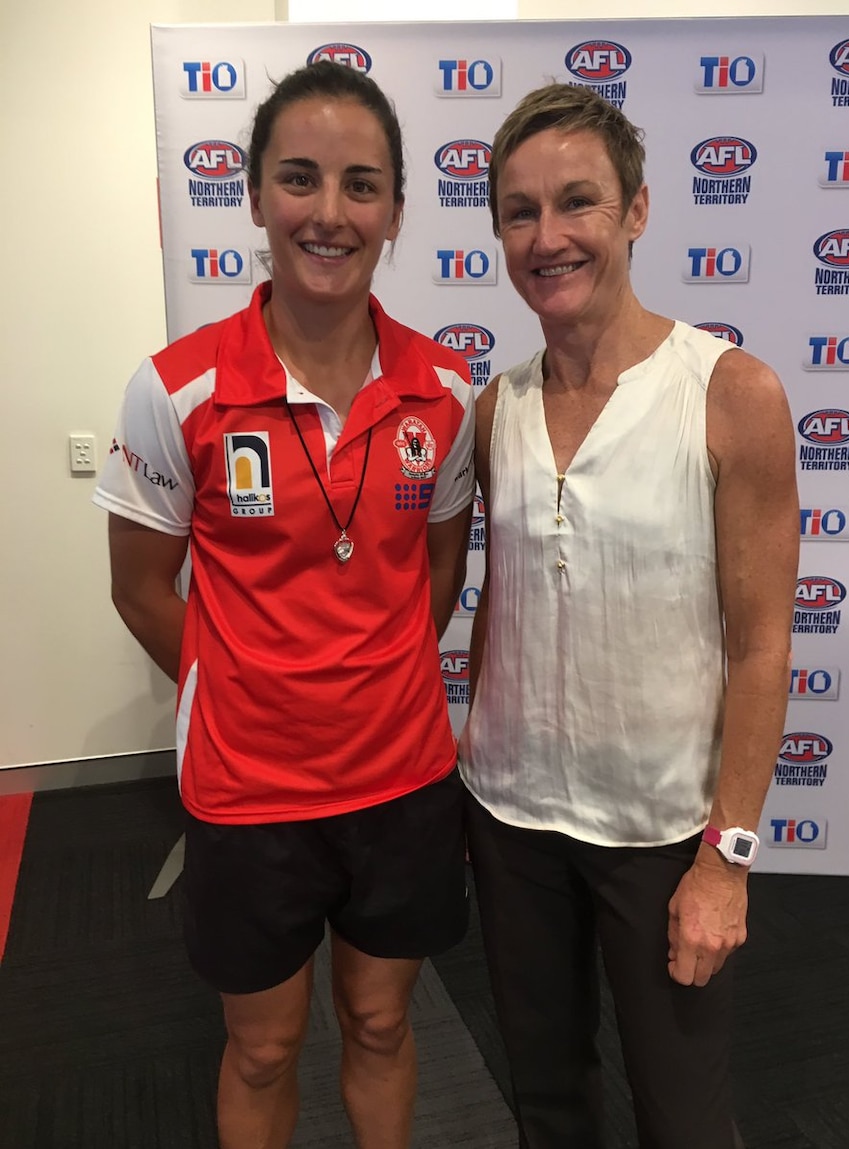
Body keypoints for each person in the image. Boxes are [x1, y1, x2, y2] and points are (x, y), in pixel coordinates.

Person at [94, 61, 474, 1149]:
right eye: (299, 179)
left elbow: (435, 571)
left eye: (362, 186)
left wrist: (373, 673)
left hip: (401, 781)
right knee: (261, 1048)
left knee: (381, 1022)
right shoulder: (176, 389)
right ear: (254, 196)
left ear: (396, 210)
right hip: (247, 791)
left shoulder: (442, 391)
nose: (329, 212)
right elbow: (137, 588)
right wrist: (247, 684)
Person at [458, 83, 798, 1149]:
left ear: (637, 210)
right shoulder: (493, 408)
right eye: (520, 212)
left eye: (577, 203)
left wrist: (724, 860)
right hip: (510, 817)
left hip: (660, 835)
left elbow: (761, 645)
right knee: (547, 1101)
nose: (547, 237)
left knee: (684, 1119)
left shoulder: (729, 392)